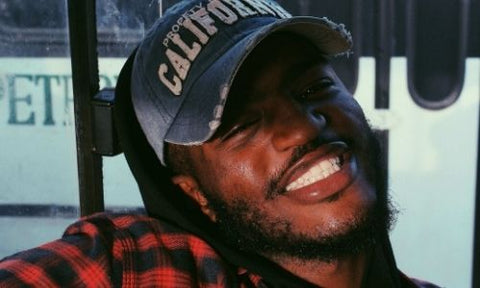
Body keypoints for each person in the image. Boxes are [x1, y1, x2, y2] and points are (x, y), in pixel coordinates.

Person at [0, 0, 439, 287]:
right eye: (242, 125)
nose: (302, 129)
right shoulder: (139, 270)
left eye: (312, 89)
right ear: (194, 194)